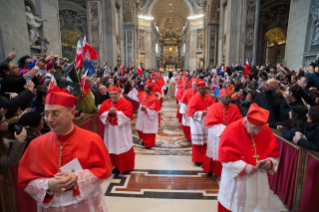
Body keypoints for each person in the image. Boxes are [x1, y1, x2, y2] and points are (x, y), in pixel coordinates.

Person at [18, 86, 112, 212]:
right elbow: (25, 179)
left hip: (84, 205)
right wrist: (48, 184)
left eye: (55, 113)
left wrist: (77, 178)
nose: (49, 119)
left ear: (72, 113)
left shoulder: (92, 139)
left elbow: (104, 170)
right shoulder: (35, 144)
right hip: (52, 205)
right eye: (46, 114)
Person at [218, 103, 280, 212]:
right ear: (246, 121)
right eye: (254, 128)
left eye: (260, 129)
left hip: (259, 180)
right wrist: (243, 166)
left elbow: (274, 154)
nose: (257, 132)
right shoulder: (231, 130)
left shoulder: (265, 130)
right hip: (239, 181)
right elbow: (225, 159)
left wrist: (270, 163)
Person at [203, 88, 242, 177]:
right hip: (216, 135)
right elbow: (210, 122)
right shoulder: (213, 107)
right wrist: (224, 129)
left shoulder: (235, 108)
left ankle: (226, 171)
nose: (228, 100)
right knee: (214, 152)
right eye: (226, 98)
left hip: (230, 136)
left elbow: (239, 122)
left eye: (229, 98)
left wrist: (230, 130)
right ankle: (211, 169)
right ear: (220, 98)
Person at [99, 86, 135, 174]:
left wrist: (117, 113)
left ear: (119, 94)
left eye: (115, 94)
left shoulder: (126, 103)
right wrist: (108, 113)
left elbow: (128, 115)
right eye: (111, 94)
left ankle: (126, 167)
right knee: (112, 148)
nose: (113, 96)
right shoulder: (106, 103)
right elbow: (101, 113)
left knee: (123, 147)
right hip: (110, 131)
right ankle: (117, 166)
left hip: (122, 131)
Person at [186, 80, 214, 165]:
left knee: (207, 142)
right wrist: (202, 113)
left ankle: (206, 159)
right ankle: (198, 160)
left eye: (206, 88)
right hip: (198, 124)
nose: (206, 90)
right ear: (198, 89)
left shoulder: (209, 97)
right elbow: (190, 113)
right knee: (198, 143)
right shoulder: (194, 99)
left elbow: (213, 107)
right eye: (204, 89)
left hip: (208, 123)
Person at [135, 82, 161, 149]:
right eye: (145, 87)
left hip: (149, 117)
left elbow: (155, 111)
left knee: (148, 131)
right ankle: (144, 140)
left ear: (150, 89)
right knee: (142, 129)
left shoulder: (154, 99)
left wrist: (146, 110)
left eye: (147, 88)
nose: (145, 89)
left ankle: (148, 144)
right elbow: (135, 95)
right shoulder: (143, 94)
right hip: (142, 116)